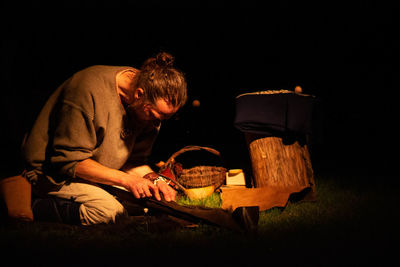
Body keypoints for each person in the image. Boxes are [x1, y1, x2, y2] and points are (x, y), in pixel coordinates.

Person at [21, 52, 187, 225]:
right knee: (109, 212)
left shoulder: (148, 110)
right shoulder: (87, 89)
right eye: (154, 115)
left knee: (151, 204)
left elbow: (133, 161)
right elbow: (68, 162)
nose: (157, 122)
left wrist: (155, 180)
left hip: (101, 172)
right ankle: (33, 203)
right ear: (139, 95)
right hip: (52, 173)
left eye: (165, 118)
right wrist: (126, 180)